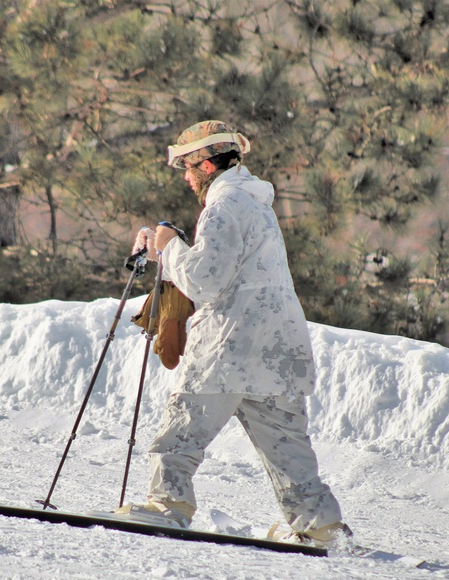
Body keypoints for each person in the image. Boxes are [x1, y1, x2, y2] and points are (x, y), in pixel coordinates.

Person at [117, 120, 349, 547]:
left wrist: (168, 246)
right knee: (287, 446)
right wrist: (170, 249)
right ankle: (320, 526)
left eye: (187, 167)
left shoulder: (223, 205)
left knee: (182, 429)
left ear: (206, 164)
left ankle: (168, 506)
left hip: (230, 345)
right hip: (278, 348)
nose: (185, 177)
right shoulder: (255, 202)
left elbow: (205, 280)